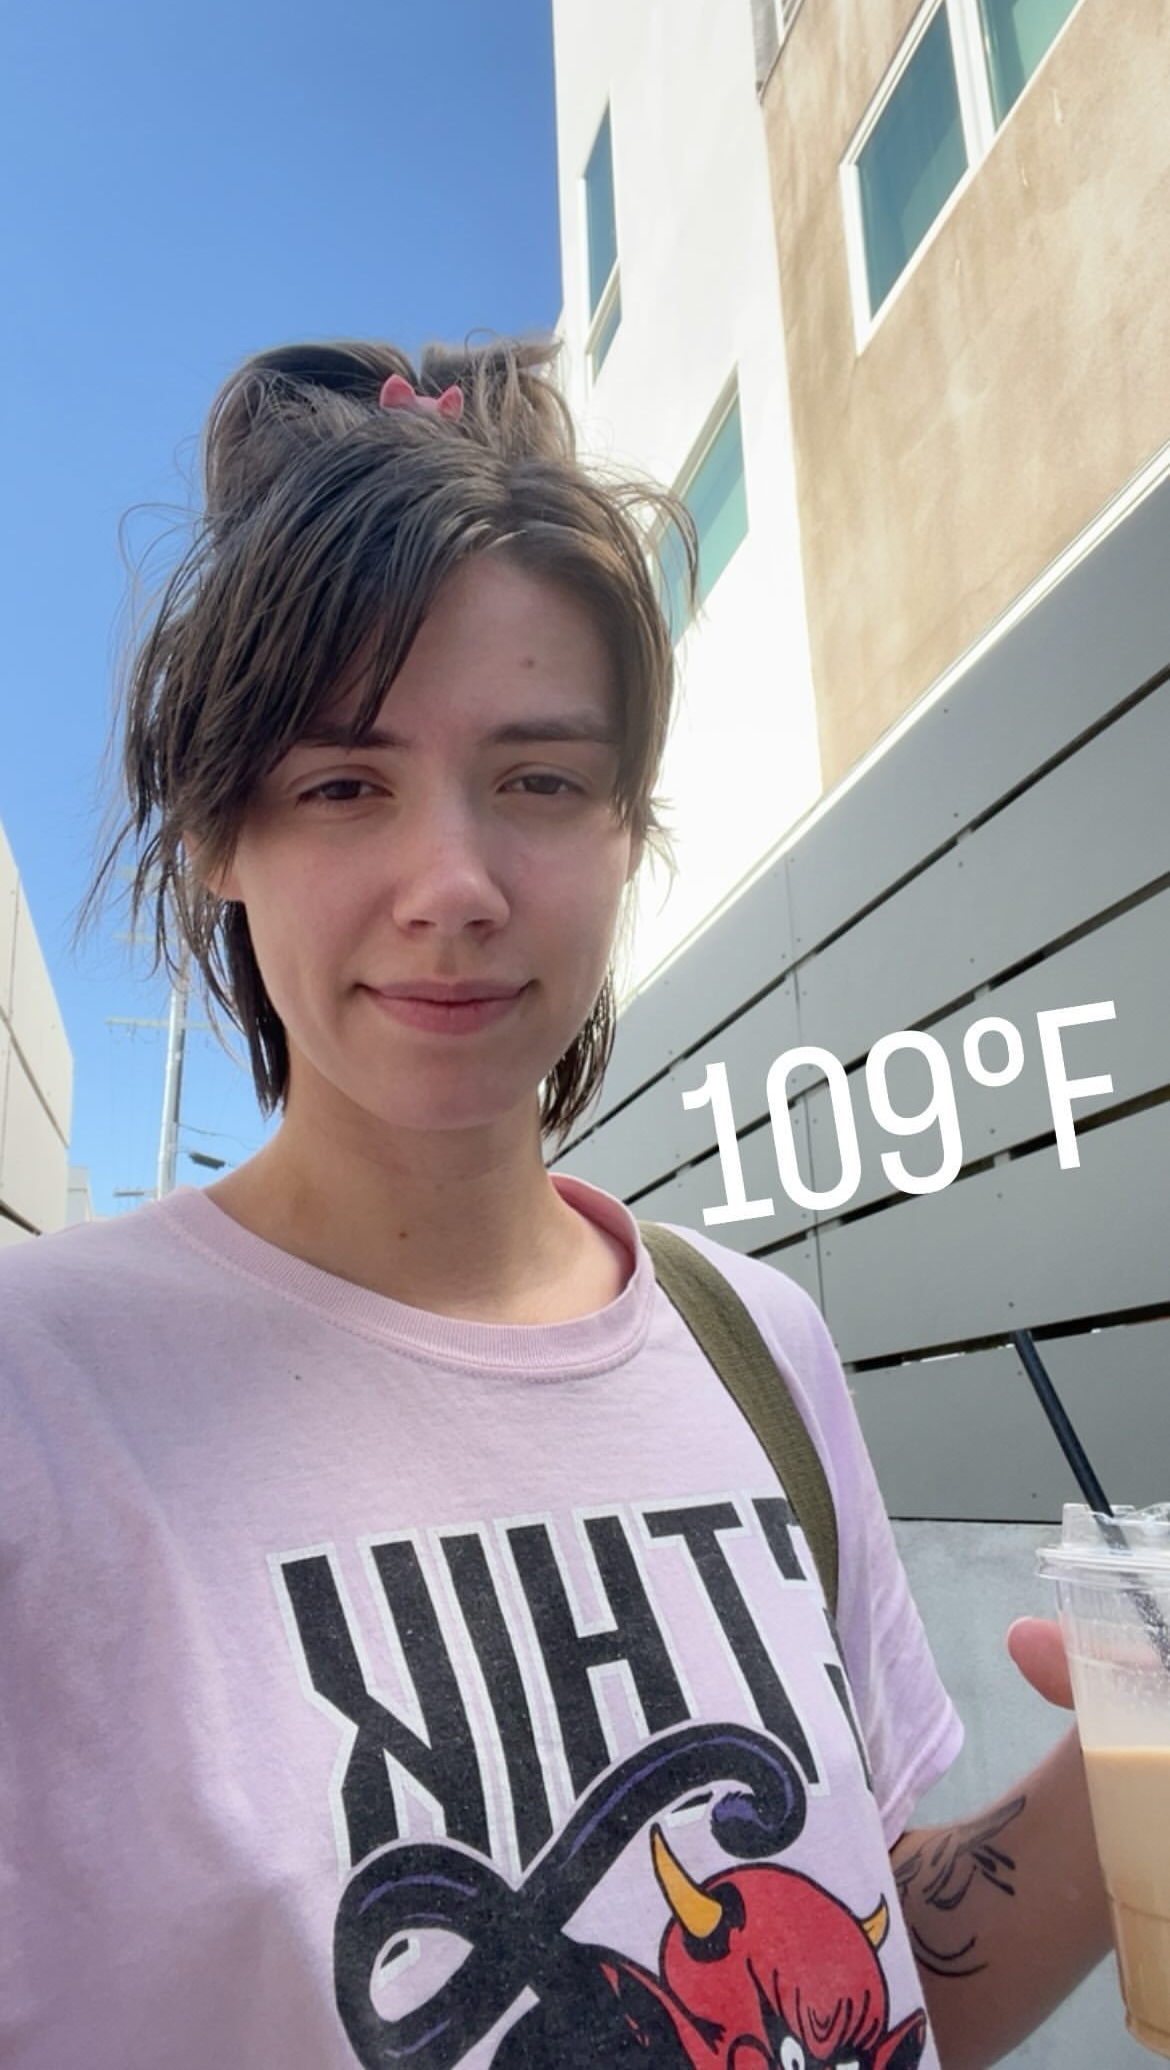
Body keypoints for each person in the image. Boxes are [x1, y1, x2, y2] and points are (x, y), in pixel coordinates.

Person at [0, 337, 1111, 2070]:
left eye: (538, 780)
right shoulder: (44, 1395)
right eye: (343, 784)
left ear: (623, 827)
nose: (452, 886)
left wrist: (1126, 1779)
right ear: (217, 832)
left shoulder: (751, 1342)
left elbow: (851, 1982)